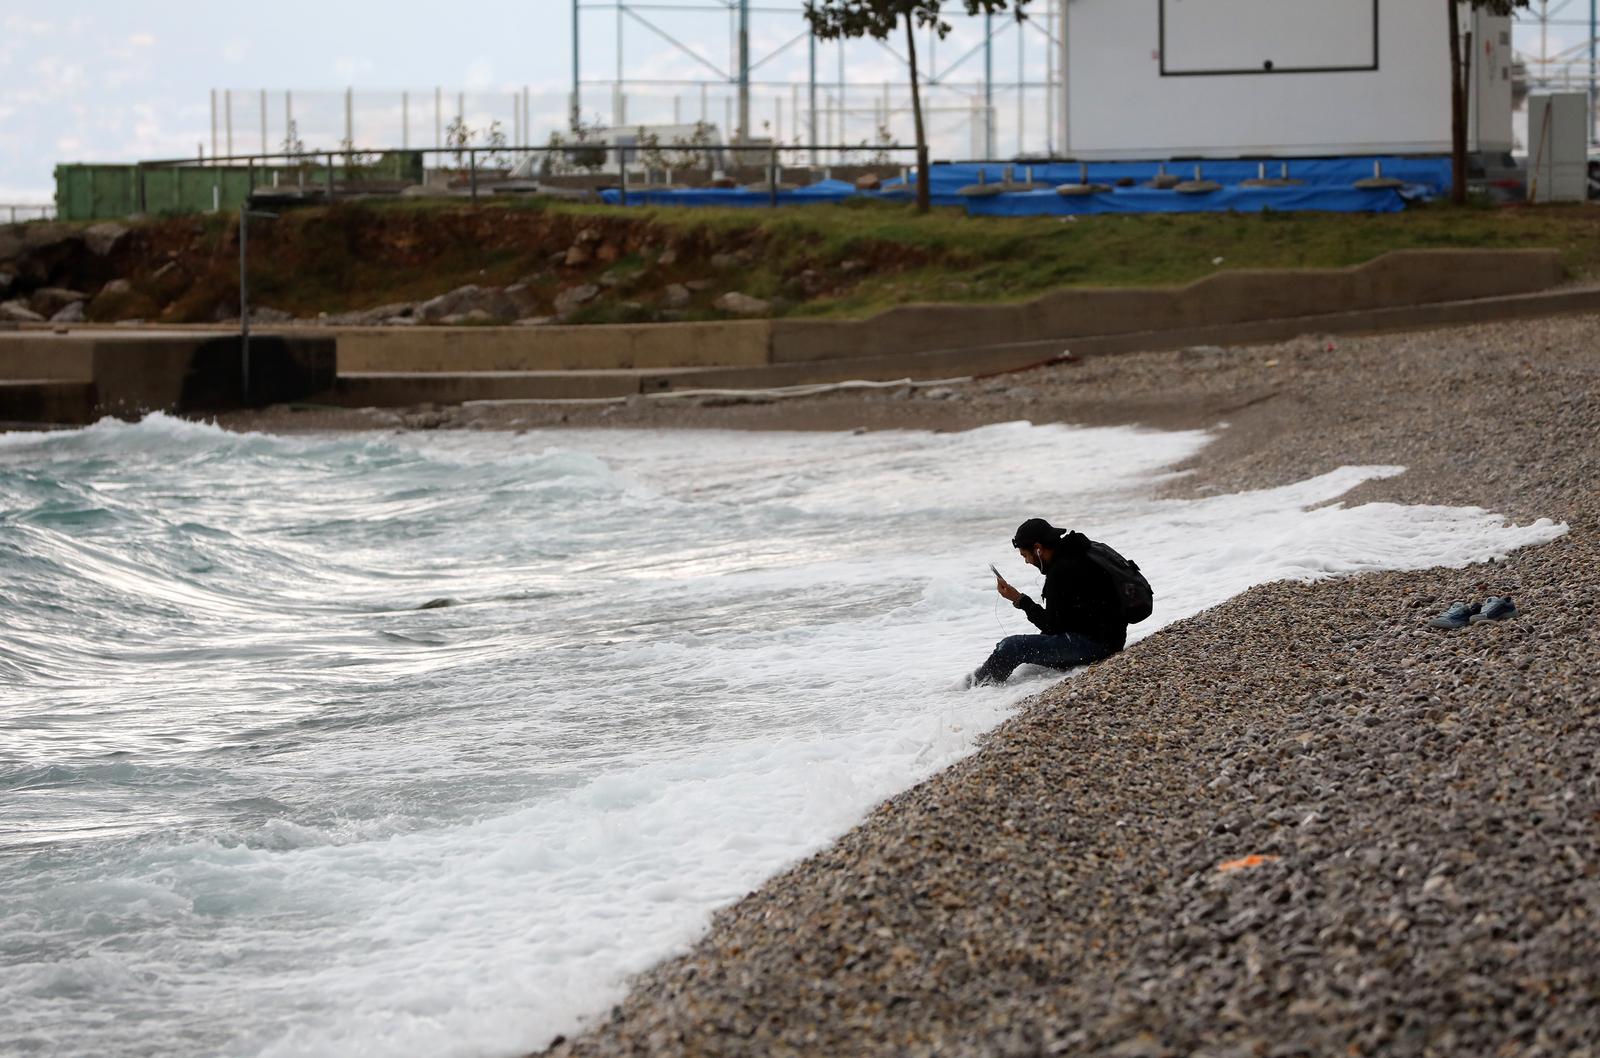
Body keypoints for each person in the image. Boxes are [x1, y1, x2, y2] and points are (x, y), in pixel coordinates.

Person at [968, 517, 1128, 686]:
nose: (1026, 561)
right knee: (1034, 646)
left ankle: (976, 689)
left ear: (1038, 548)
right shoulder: (1078, 553)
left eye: (1025, 555)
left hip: (1098, 646)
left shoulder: (1061, 571)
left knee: (1012, 647)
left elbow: (1052, 626)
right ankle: (979, 686)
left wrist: (1020, 600)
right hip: (1111, 637)